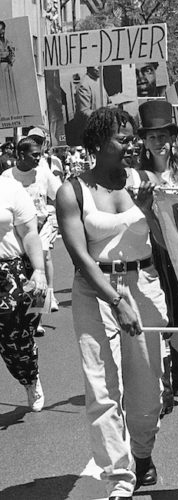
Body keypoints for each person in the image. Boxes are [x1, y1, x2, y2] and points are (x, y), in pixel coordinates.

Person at [56, 107, 167, 499]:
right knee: (102, 389)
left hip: (144, 284)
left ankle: (142, 453)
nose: (132, 144)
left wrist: (150, 208)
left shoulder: (144, 180)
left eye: (133, 136)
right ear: (99, 144)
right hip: (95, 290)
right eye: (123, 138)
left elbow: (168, 239)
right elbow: (80, 256)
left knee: (147, 388)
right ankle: (119, 479)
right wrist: (115, 298)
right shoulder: (72, 192)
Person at [136, 100, 178, 416]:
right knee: (161, 317)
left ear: (172, 138)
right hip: (152, 257)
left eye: (163, 135)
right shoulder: (137, 177)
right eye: (152, 137)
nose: (159, 142)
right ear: (145, 141)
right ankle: (166, 380)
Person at [0, 144, 48, 412]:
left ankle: (29, 377)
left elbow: (30, 234)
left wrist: (39, 271)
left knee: (14, 342)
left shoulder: (9, 189)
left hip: (7, 274)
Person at [3, 137, 62, 333]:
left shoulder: (43, 173)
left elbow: (59, 194)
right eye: (34, 155)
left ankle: (39, 317)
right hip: (18, 230)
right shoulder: (7, 177)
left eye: (40, 154)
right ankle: (29, 316)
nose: (39, 158)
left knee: (41, 262)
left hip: (41, 227)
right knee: (27, 272)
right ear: (20, 155)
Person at [0, 20, 19, 118]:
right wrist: (4, 57)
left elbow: (13, 55)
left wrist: (9, 58)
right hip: (0, 70)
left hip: (8, 69)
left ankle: (11, 114)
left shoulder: (8, 42)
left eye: (2, 29)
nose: (1, 32)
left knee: (10, 91)